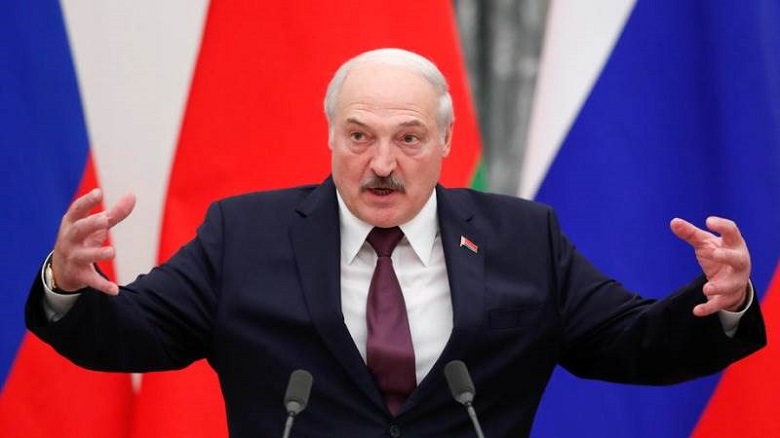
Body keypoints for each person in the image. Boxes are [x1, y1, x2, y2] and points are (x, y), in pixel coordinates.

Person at [27, 48, 765, 437]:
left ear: (445, 141)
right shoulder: (243, 235)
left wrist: (721, 302)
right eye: (359, 136)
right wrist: (66, 283)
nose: (381, 163)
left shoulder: (522, 238)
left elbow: (631, 343)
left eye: (408, 138)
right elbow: (136, 334)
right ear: (330, 138)